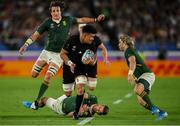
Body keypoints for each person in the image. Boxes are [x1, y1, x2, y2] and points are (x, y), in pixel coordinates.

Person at [19, 0, 105, 110]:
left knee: (48, 76)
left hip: (58, 55)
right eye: (54, 11)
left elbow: (82, 20)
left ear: (61, 11)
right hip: (46, 53)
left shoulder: (68, 20)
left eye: (58, 10)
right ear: (51, 12)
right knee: (34, 74)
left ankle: (36, 101)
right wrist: (26, 45)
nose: (56, 13)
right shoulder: (47, 22)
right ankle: (74, 83)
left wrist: (95, 19)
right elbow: (36, 35)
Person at [60, 25, 109, 119]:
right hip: (70, 65)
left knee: (85, 88)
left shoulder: (94, 41)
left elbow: (98, 54)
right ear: (84, 35)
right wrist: (69, 63)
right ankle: (77, 83)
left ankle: (76, 112)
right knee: (68, 93)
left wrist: (101, 59)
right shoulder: (72, 40)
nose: (93, 38)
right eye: (91, 36)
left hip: (84, 68)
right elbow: (62, 54)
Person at [118, 34, 168, 121]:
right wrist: (134, 77)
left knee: (137, 90)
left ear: (124, 43)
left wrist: (130, 74)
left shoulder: (128, 50)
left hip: (146, 75)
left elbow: (133, 62)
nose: (118, 44)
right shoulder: (129, 50)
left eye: (120, 42)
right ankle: (162, 112)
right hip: (143, 76)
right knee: (141, 101)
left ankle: (153, 108)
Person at [23, 93, 109, 117]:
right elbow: (83, 94)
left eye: (99, 111)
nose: (97, 109)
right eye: (100, 107)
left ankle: (33, 106)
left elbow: (68, 115)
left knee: (44, 99)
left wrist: (78, 112)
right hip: (66, 97)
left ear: (98, 113)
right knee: (68, 89)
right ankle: (35, 106)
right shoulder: (94, 98)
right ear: (101, 104)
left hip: (60, 107)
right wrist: (81, 105)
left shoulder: (87, 114)